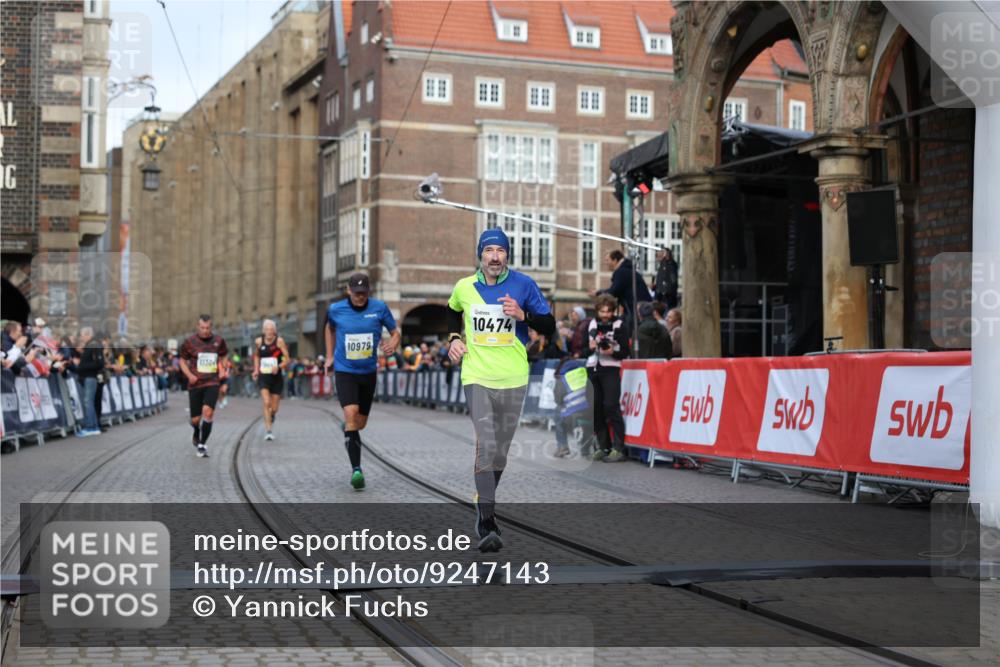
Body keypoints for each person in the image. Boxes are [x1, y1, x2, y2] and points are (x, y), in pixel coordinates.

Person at [446, 227, 556, 553]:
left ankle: (484, 500)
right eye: (489, 250)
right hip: (476, 376)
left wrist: (525, 315)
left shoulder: (523, 284)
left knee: (500, 453)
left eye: (500, 251)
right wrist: (453, 339)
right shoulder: (465, 287)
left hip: (513, 377)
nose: (495, 257)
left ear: (507, 255)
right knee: (486, 444)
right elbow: (452, 311)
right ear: (480, 254)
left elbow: (549, 324)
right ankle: (487, 521)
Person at [324, 272, 401, 490]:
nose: (360, 297)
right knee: (350, 414)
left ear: (369, 292)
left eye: (364, 293)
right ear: (348, 290)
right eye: (356, 293)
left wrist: (393, 344)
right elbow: (329, 329)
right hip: (345, 370)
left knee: (360, 423)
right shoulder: (335, 309)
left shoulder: (379, 308)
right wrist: (329, 356)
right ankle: (356, 470)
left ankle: (350, 429)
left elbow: (395, 332)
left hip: (368, 372)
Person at [587, 294, 631, 462]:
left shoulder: (619, 325)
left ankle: (619, 448)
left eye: (608, 311)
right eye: (602, 311)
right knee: (595, 408)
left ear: (613, 311)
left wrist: (612, 351)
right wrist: (591, 347)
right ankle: (603, 446)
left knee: (611, 406)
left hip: (611, 369)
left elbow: (625, 353)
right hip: (593, 367)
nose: (605, 315)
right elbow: (586, 350)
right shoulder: (592, 323)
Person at [178, 315, 229, 458]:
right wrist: (189, 375)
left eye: (207, 328)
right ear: (198, 326)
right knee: (195, 419)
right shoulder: (190, 342)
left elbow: (224, 355)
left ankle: (202, 444)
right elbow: (182, 360)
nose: (205, 331)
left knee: (208, 412)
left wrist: (223, 368)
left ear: (211, 327)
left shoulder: (219, 341)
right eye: (202, 328)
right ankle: (196, 430)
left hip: (212, 382)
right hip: (195, 383)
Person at [251, 319, 291, 441]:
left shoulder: (279, 341)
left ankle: (272, 414)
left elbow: (287, 359)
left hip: (276, 377)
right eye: (267, 329)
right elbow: (257, 355)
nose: (269, 332)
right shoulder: (258, 341)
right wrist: (256, 369)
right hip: (264, 376)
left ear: (275, 331)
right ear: (263, 330)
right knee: (266, 402)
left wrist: (279, 366)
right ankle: (268, 430)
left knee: (274, 408)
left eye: (271, 329)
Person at [589, 249, 650, 322]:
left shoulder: (621, 272)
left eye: (607, 260)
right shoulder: (627, 270)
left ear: (615, 260)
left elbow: (613, 292)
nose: (606, 263)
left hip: (635, 310)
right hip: (641, 308)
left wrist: (598, 293)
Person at [72, 327, 104, 437]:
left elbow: (100, 363)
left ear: (87, 335)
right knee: (89, 402)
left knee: (88, 402)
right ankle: (94, 426)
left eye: (82, 335)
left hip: (90, 377)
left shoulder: (94, 345)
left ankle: (91, 427)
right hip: (88, 376)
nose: (81, 338)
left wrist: (81, 366)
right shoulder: (90, 346)